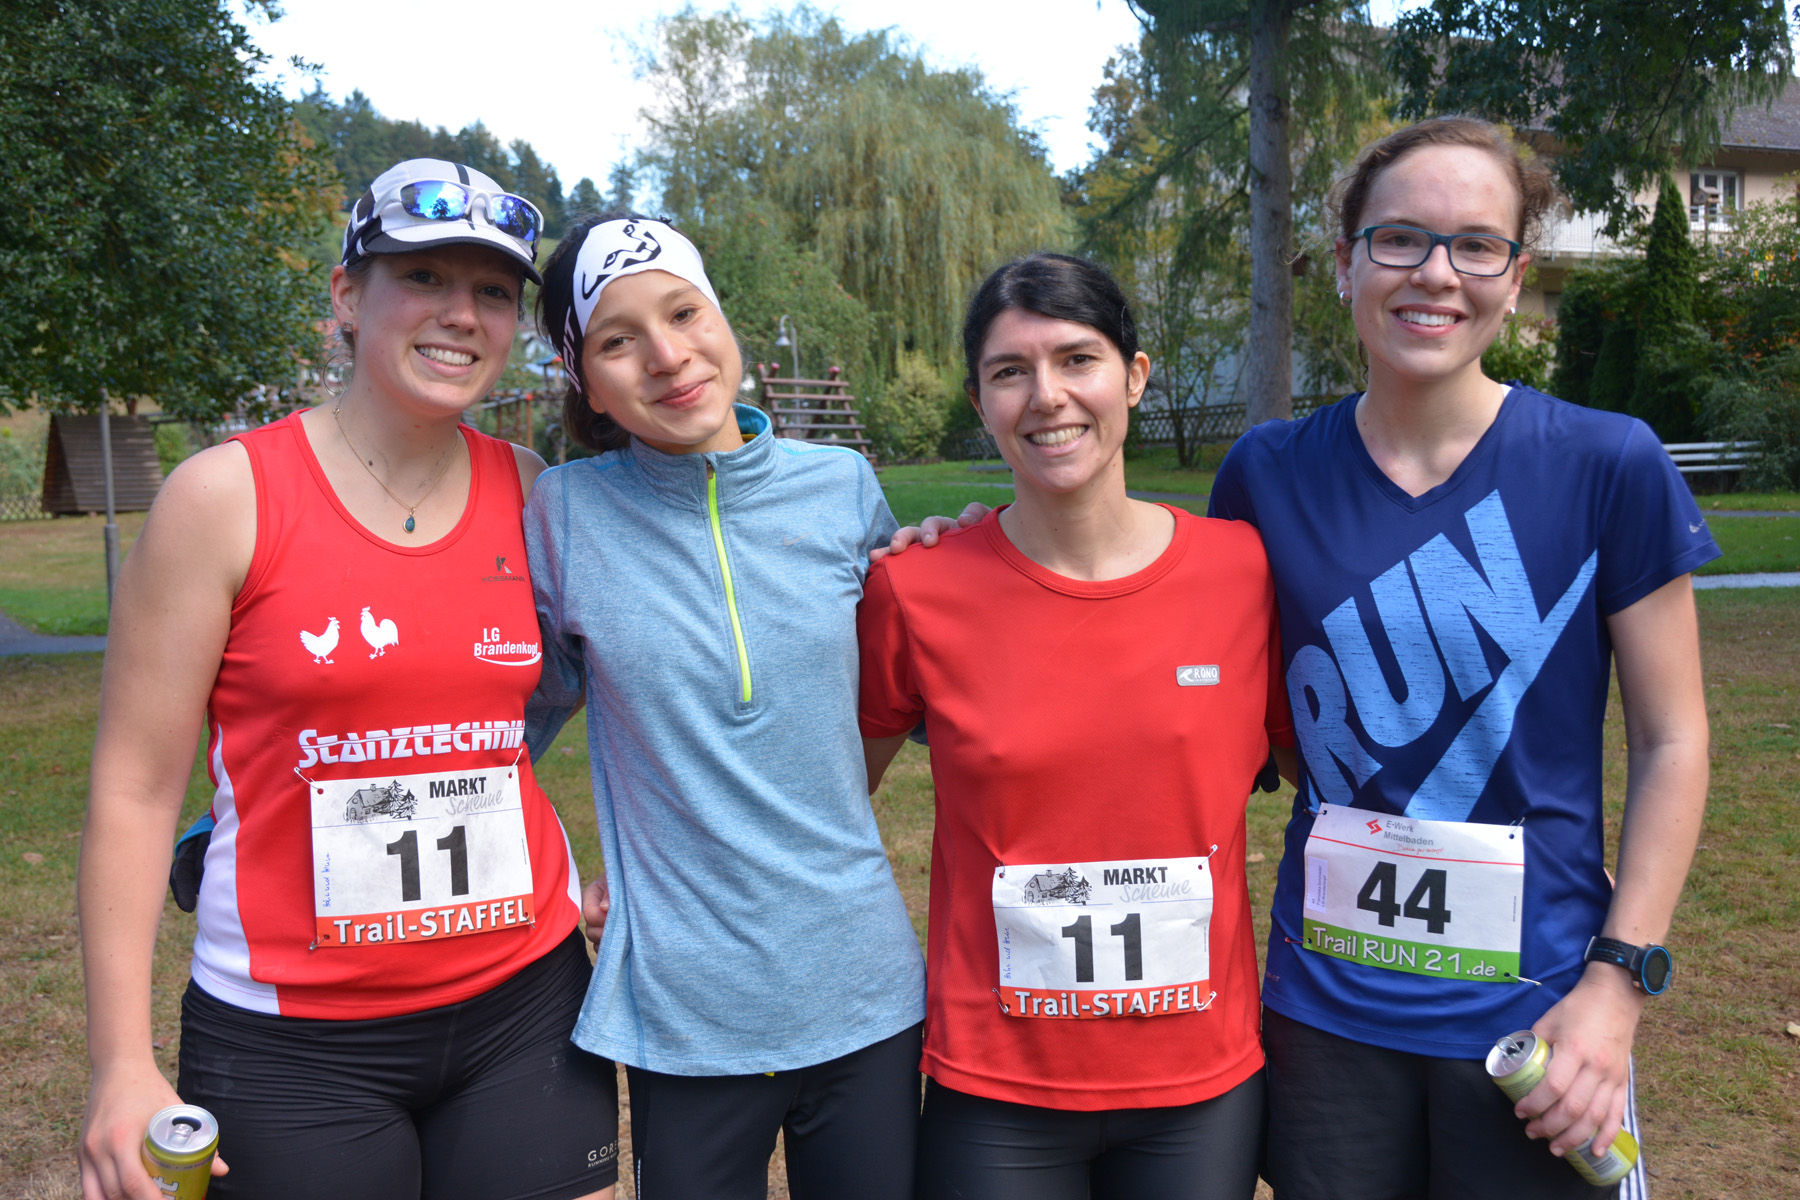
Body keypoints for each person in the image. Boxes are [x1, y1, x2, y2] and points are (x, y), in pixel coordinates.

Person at [78, 159, 619, 1200]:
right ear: (345, 296)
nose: (460, 314)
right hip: (292, 1040)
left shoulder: (538, 497)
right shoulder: (222, 500)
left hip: (529, 1007)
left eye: (492, 291)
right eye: (422, 278)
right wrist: (118, 1063)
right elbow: (133, 791)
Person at [1211, 116, 1714, 1200]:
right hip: (1325, 1018)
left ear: (1516, 275)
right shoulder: (1265, 474)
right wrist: (981, 539)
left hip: (1540, 1016)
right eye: (1400, 238)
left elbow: (1674, 740)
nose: (1436, 274)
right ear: (1344, 261)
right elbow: (1225, 693)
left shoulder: (1607, 463)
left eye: (1477, 245)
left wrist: (1616, 987)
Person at [859, 253, 1290, 1200]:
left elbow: (1326, 772)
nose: (1047, 396)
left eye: (1077, 359)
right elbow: (829, 802)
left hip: (1198, 1081)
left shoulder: (1244, 572)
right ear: (981, 402)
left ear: (1134, 376)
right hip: (997, 1085)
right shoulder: (914, 591)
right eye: (1010, 371)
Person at [524, 213, 926, 1200]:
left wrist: (978, 556)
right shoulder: (565, 513)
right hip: (688, 1013)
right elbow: (497, 725)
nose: (668, 357)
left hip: (865, 990)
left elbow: (923, 694)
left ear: (723, 318)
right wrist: (554, 878)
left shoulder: (844, 489)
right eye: (618, 341)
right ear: (585, 380)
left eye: (683, 313)